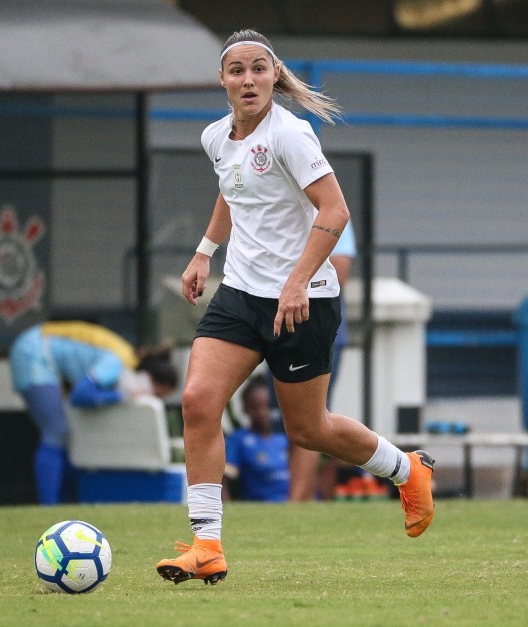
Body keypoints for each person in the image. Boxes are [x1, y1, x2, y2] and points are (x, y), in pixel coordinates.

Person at [156, 29, 435, 587]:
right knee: (197, 400)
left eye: (259, 69)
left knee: (308, 430)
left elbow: (335, 211)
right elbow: (230, 192)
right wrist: (203, 253)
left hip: (305, 303)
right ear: (223, 81)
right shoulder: (216, 137)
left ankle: (407, 471)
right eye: (237, 70)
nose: (248, 79)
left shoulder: (292, 135)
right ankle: (207, 545)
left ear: (274, 75)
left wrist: (298, 281)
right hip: (239, 296)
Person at [10, 320, 178, 505]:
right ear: (149, 379)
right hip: (34, 352)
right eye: (156, 394)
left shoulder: (125, 357)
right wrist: (123, 394)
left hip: (37, 350)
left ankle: (63, 504)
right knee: (56, 432)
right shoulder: (117, 361)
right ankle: (48, 507)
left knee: (63, 436)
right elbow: (80, 395)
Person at [286, 220, 356, 502]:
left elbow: (339, 272)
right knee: (291, 420)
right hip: (279, 323)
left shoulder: (330, 207)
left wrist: (295, 281)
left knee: (309, 418)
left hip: (314, 326)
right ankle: (297, 496)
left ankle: (298, 500)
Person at [223, 375, 290, 502]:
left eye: (267, 406)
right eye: (255, 407)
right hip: (259, 504)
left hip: (292, 503)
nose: (262, 412)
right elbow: (224, 479)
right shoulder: (239, 439)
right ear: (245, 409)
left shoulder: (286, 436)